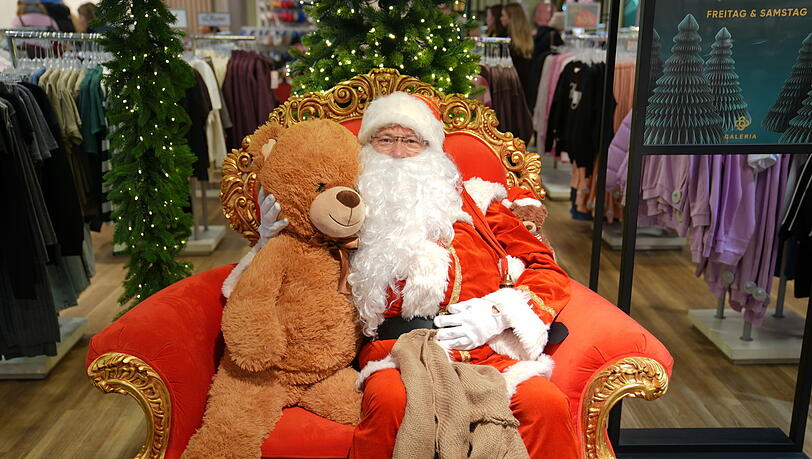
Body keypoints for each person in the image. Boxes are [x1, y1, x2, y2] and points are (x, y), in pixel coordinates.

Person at [241, 92, 578, 457]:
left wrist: (497, 314)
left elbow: (545, 267)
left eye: (410, 140)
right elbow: (297, 268)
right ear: (366, 147)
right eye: (385, 139)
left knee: (545, 404)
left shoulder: (481, 203)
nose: (398, 152)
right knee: (390, 402)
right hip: (395, 352)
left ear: (432, 150)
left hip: (487, 349)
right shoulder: (343, 209)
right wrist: (268, 242)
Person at [501, 2, 534, 101]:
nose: (501, 18)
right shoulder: (526, 40)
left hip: (513, 90)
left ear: (511, 18)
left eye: (503, 15)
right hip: (525, 90)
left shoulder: (509, 42)